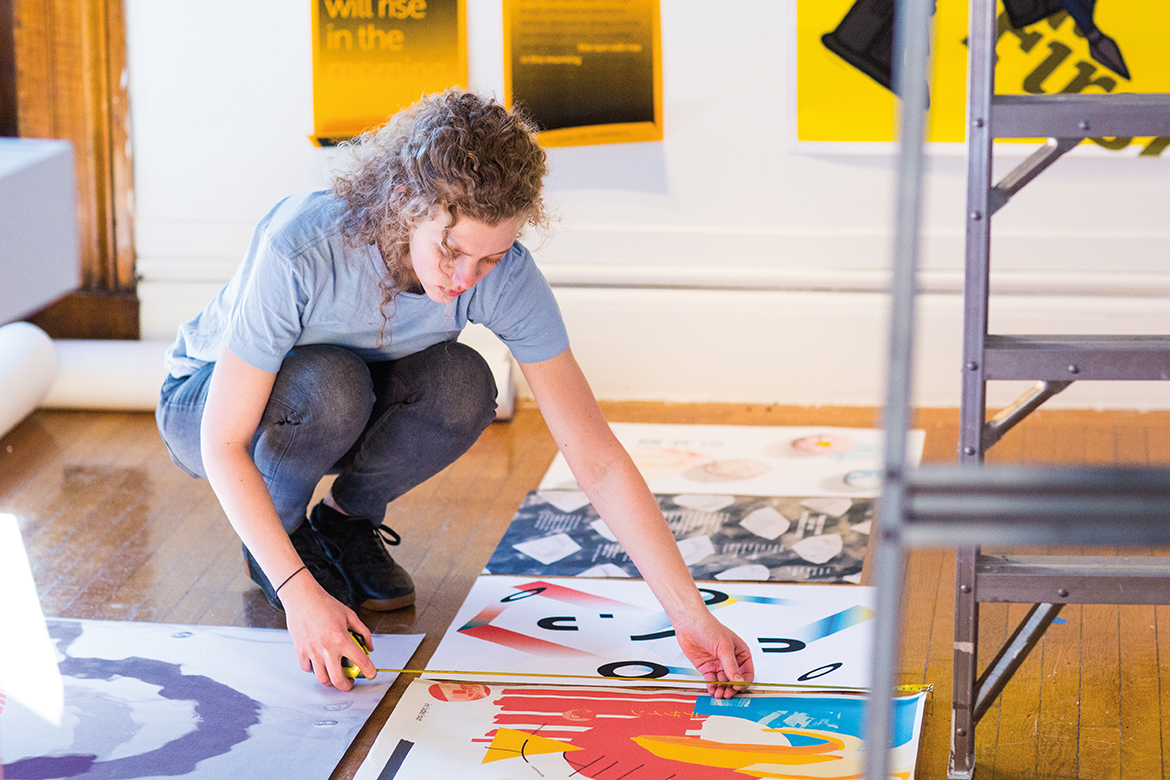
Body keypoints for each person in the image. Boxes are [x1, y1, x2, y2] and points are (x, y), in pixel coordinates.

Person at [155, 88, 754, 697]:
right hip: (206, 409)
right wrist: (298, 594)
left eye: (490, 258)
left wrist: (689, 614)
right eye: (451, 250)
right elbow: (223, 442)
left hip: (341, 403)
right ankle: (279, 547)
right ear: (401, 203)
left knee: (465, 382)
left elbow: (595, 457)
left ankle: (344, 523)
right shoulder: (302, 247)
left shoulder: (504, 275)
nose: (464, 279)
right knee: (331, 381)